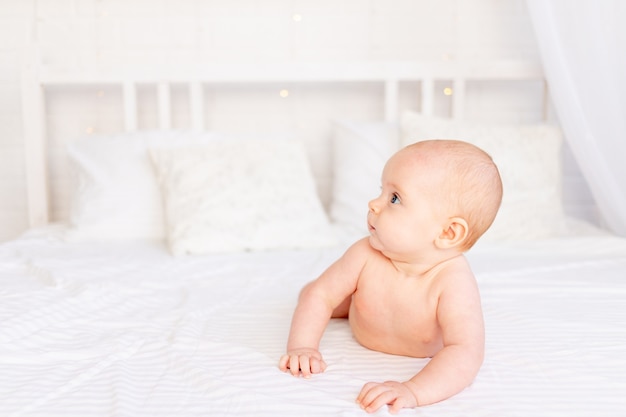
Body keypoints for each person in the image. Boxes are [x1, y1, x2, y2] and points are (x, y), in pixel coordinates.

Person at [278, 139, 503, 413]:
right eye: (381, 191)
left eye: (394, 198)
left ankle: (346, 300)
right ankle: (347, 302)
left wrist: (413, 390)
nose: (373, 204)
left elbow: (465, 352)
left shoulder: (453, 281)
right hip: (360, 313)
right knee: (313, 293)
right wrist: (303, 346)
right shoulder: (364, 254)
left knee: (317, 294)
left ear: (447, 233)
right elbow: (321, 295)